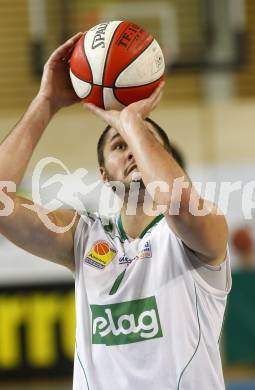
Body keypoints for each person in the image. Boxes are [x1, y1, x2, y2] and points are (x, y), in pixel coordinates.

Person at [0, 34, 231, 390]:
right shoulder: (82, 236)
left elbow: (176, 201)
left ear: (166, 160)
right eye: (119, 144)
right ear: (104, 175)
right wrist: (46, 102)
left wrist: (132, 123)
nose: (131, 150)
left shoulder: (201, 232)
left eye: (143, 142)